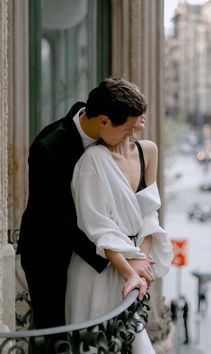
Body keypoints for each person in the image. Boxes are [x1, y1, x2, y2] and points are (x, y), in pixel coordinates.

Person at [17, 78, 155, 329]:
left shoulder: (108, 121)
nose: (129, 136)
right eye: (125, 130)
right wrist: (121, 260)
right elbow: (59, 220)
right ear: (103, 121)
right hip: (50, 253)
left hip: (95, 252)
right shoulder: (48, 147)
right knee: (55, 333)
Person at [65, 112, 174, 353]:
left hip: (133, 265)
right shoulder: (92, 159)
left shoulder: (148, 151)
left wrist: (141, 259)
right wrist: (130, 263)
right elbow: (97, 224)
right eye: (134, 115)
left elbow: (149, 213)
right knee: (95, 345)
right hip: (98, 269)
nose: (142, 117)